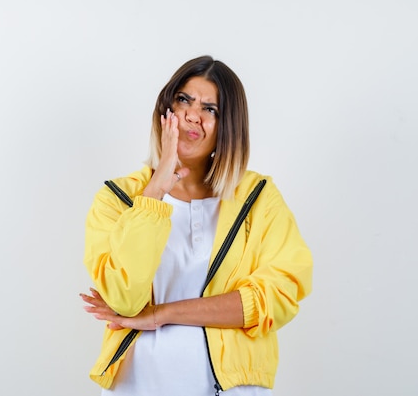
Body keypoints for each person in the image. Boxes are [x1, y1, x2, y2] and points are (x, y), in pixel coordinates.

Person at [80, 55, 313, 396]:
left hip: (234, 389)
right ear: (167, 110)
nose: (192, 114)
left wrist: (161, 314)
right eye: (184, 100)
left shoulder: (258, 198)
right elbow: (124, 301)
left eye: (210, 109)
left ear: (228, 127)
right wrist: (156, 189)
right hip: (138, 385)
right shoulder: (117, 199)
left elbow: (279, 297)